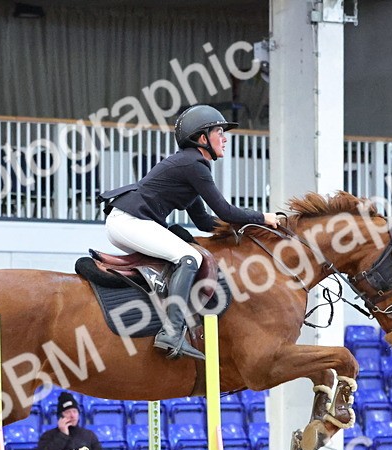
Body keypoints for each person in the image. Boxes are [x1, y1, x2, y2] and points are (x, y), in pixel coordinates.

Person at [99, 105, 284, 361]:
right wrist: (263, 218)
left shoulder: (189, 165)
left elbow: (205, 221)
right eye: (219, 131)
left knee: (183, 254)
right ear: (202, 138)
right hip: (130, 222)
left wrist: (246, 230)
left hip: (130, 222)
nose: (225, 138)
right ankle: (172, 332)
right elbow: (225, 210)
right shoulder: (194, 164)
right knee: (190, 258)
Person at [36, 392, 104, 450]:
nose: (72, 415)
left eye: (74, 411)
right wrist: (63, 435)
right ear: (60, 416)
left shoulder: (89, 435)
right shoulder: (48, 435)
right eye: (68, 412)